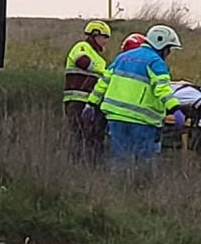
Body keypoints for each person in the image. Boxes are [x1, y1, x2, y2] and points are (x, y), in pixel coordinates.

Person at [86, 25, 184, 163]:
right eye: (169, 49)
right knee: (142, 163)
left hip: (116, 118)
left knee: (119, 160)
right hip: (142, 121)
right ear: (162, 46)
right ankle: (139, 185)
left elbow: (103, 83)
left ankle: (116, 184)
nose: (168, 53)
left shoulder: (121, 58)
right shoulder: (156, 62)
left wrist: (91, 103)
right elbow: (163, 89)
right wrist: (175, 109)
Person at [63, 20, 111, 162]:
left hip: (91, 103)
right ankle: (76, 164)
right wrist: (104, 71)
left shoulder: (99, 58)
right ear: (95, 35)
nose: (105, 42)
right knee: (78, 136)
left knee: (91, 137)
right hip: (76, 102)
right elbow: (81, 61)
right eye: (104, 37)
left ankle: (89, 165)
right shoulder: (81, 47)